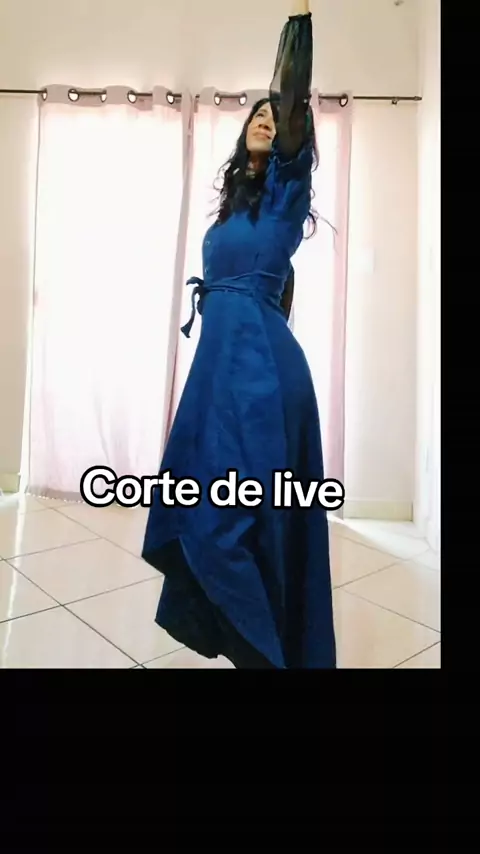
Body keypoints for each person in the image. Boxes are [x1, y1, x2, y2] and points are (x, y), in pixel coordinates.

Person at [142, 0, 337, 668]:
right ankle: (245, 641)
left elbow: (290, 98)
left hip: (259, 372)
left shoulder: (286, 196)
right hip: (216, 370)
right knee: (207, 505)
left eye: (273, 117)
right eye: (254, 115)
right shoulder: (230, 211)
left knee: (239, 517)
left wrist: (298, 22)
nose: (264, 118)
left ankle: (268, 653)